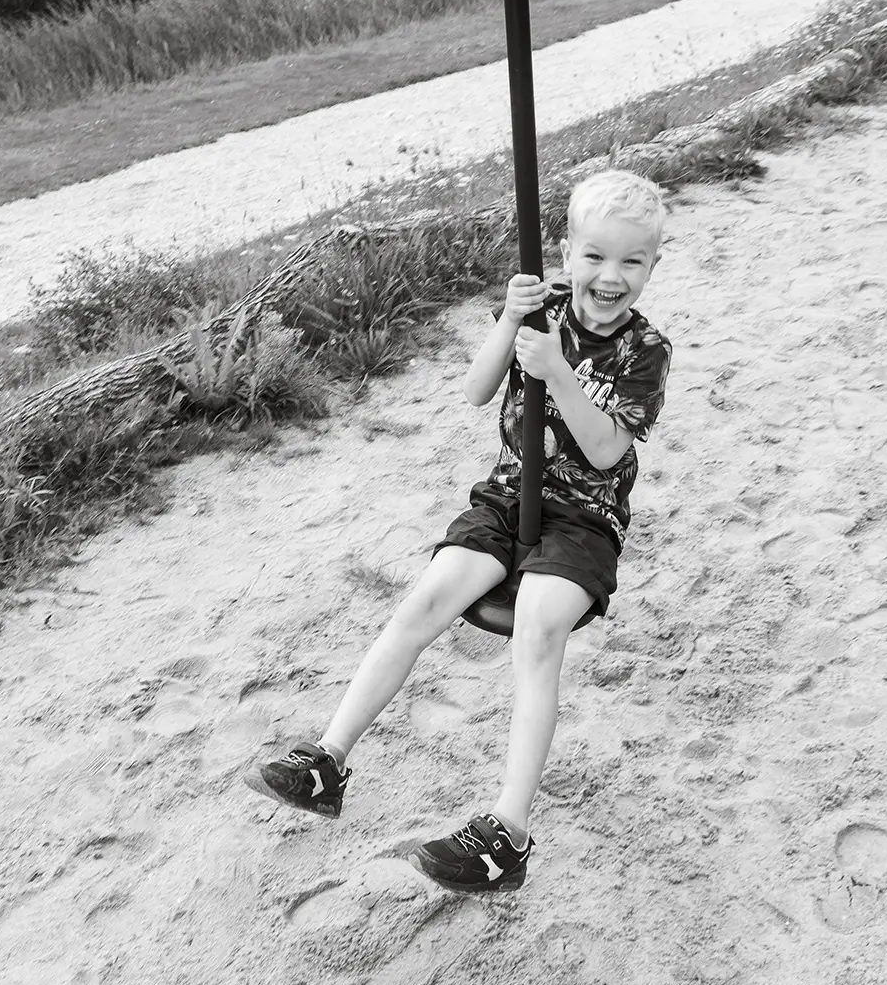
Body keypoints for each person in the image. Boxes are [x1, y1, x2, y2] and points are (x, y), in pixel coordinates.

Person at [245, 169, 672, 893]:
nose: (610, 275)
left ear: (653, 266)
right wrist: (510, 322)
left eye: (632, 261)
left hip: (583, 520)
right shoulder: (543, 311)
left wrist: (559, 373)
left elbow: (606, 451)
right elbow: (476, 390)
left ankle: (507, 833)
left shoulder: (645, 349)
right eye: (595, 255)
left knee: (538, 633)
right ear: (568, 252)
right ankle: (328, 758)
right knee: (424, 602)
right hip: (509, 496)